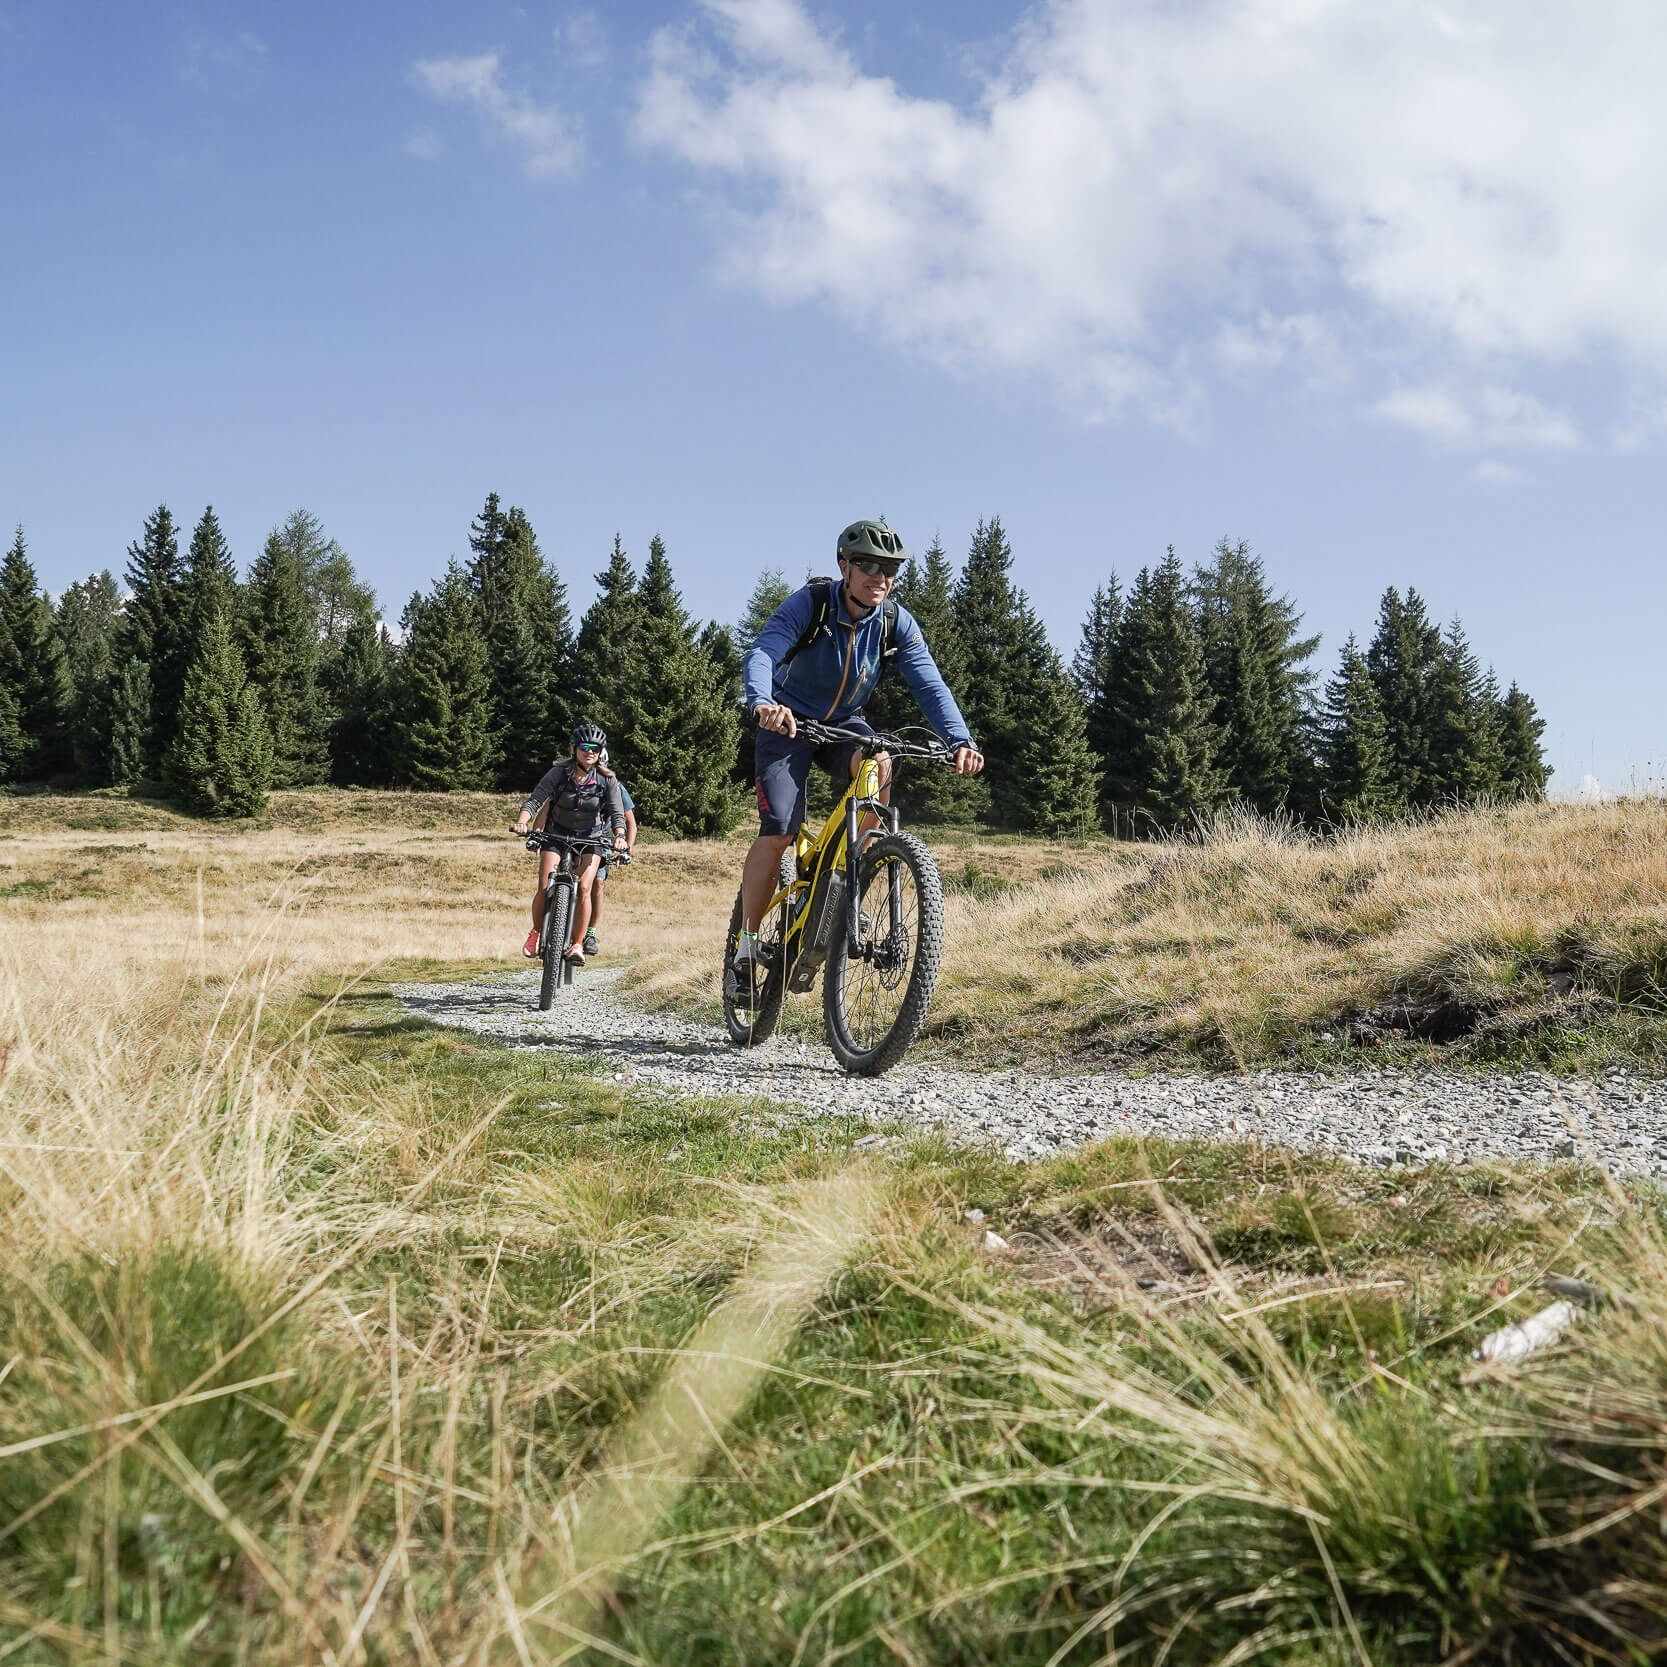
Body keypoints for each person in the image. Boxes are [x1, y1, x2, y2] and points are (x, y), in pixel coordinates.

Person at [730, 519, 984, 1001]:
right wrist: (763, 701)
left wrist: (959, 740)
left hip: (845, 726)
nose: (880, 577)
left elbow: (930, 685)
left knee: (880, 764)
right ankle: (744, 949)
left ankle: (850, 882)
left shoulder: (895, 622)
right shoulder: (812, 604)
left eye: (889, 568)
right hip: (787, 724)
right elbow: (764, 651)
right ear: (844, 565)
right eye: (868, 565)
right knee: (781, 827)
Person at [513, 721, 627, 969]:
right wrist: (523, 822)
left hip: (591, 838)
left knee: (585, 888)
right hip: (557, 834)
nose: (590, 752)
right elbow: (536, 799)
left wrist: (620, 835)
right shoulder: (558, 773)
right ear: (574, 748)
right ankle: (535, 932)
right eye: (585, 746)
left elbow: (618, 813)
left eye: (596, 748)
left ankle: (577, 944)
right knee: (544, 885)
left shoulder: (607, 780)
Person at [583, 749, 637, 957]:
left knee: (597, 883)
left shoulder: (616, 787)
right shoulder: (573, 781)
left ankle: (590, 933)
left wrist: (626, 849)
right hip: (573, 836)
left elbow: (630, 823)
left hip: (600, 841)